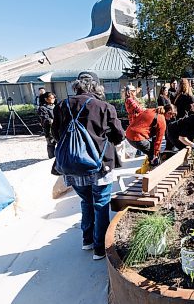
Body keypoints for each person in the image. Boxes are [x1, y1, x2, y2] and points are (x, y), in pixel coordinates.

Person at [52, 71, 124, 260]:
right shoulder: (104, 107)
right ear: (96, 86)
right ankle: (100, 249)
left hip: (71, 166)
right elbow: (119, 136)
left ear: (77, 86)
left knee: (85, 201)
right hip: (99, 165)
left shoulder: (61, 106)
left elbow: (55, 134)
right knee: (101, 204)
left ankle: (87, 241)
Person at [126, 104, 176, 173]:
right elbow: (158, 140)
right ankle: (151, 174)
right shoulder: (162, 121)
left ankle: (143, 170)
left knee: (150, 151)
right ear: (168, 113)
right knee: (154, 155)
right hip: (137, 138)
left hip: (129, 134)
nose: (172, 118)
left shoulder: (151, 110)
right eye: (172, 115)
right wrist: (155, 154)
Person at [37, 92, 57, 158]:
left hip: (58, 128)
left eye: (54, 98)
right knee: (51, 144)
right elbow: (45, 119)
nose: (53, 99)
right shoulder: (42, 108)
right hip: (49, 129)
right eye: (51, 98)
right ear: (46, 99)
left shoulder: (57, 107)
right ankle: (51, 157)